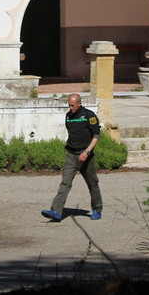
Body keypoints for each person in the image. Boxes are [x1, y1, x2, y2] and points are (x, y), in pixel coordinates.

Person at [41, 93, 102, 221]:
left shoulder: (89, 116)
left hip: (85, 155)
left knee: (92, 183)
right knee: (65, 183)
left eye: (73, 105)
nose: (70, 108)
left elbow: (96, 135)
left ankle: (97, 208)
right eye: (69, 105)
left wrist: (87, 152)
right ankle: (56, 211)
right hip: (71, 154)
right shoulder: (68, 116)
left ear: (79, 104)